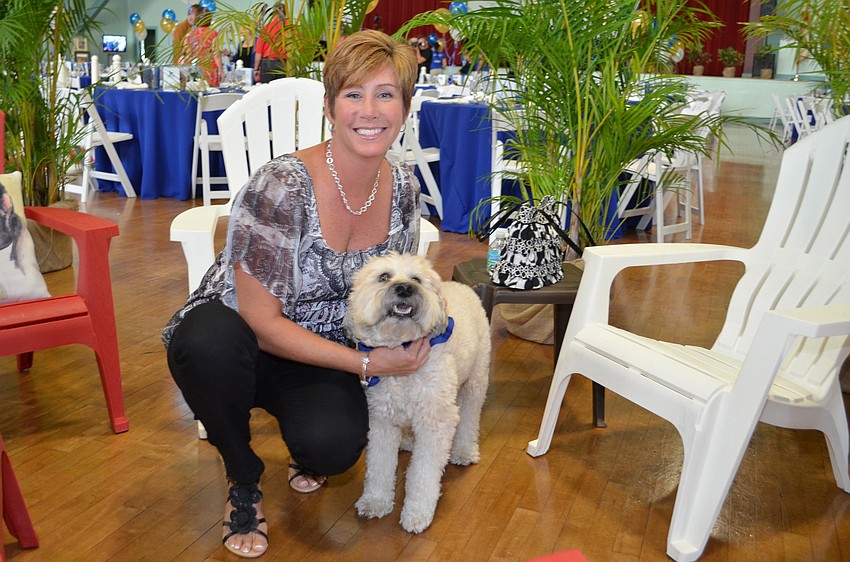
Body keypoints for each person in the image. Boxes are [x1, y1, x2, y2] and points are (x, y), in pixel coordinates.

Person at [162, 30, 427, 559]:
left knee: (332, 448)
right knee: (203, 341)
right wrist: (369, 364)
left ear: (405, 106)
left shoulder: (402, 189)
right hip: (242, 336)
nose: (369, 111)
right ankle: (243, 477)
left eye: (385, 94)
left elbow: (386, 298)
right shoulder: (281, 184)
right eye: (353, 95)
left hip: (318, 350)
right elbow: (261, 320)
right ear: (330, 107)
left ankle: (303, 446)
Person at [181, 4, 222, 86]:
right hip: (210, 68)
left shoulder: (189, 35)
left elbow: (186, 54)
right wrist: (221, 71)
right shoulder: (213, 33)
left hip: (195, 69)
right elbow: (216, 54)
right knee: (212, 94)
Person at [253, 5, 286, 84]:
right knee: (282, 92)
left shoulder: (267, 27)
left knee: (266, 92)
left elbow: (259, 52)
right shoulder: (291, 28)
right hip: (284, 64)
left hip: (268, 64)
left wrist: (256, 69)